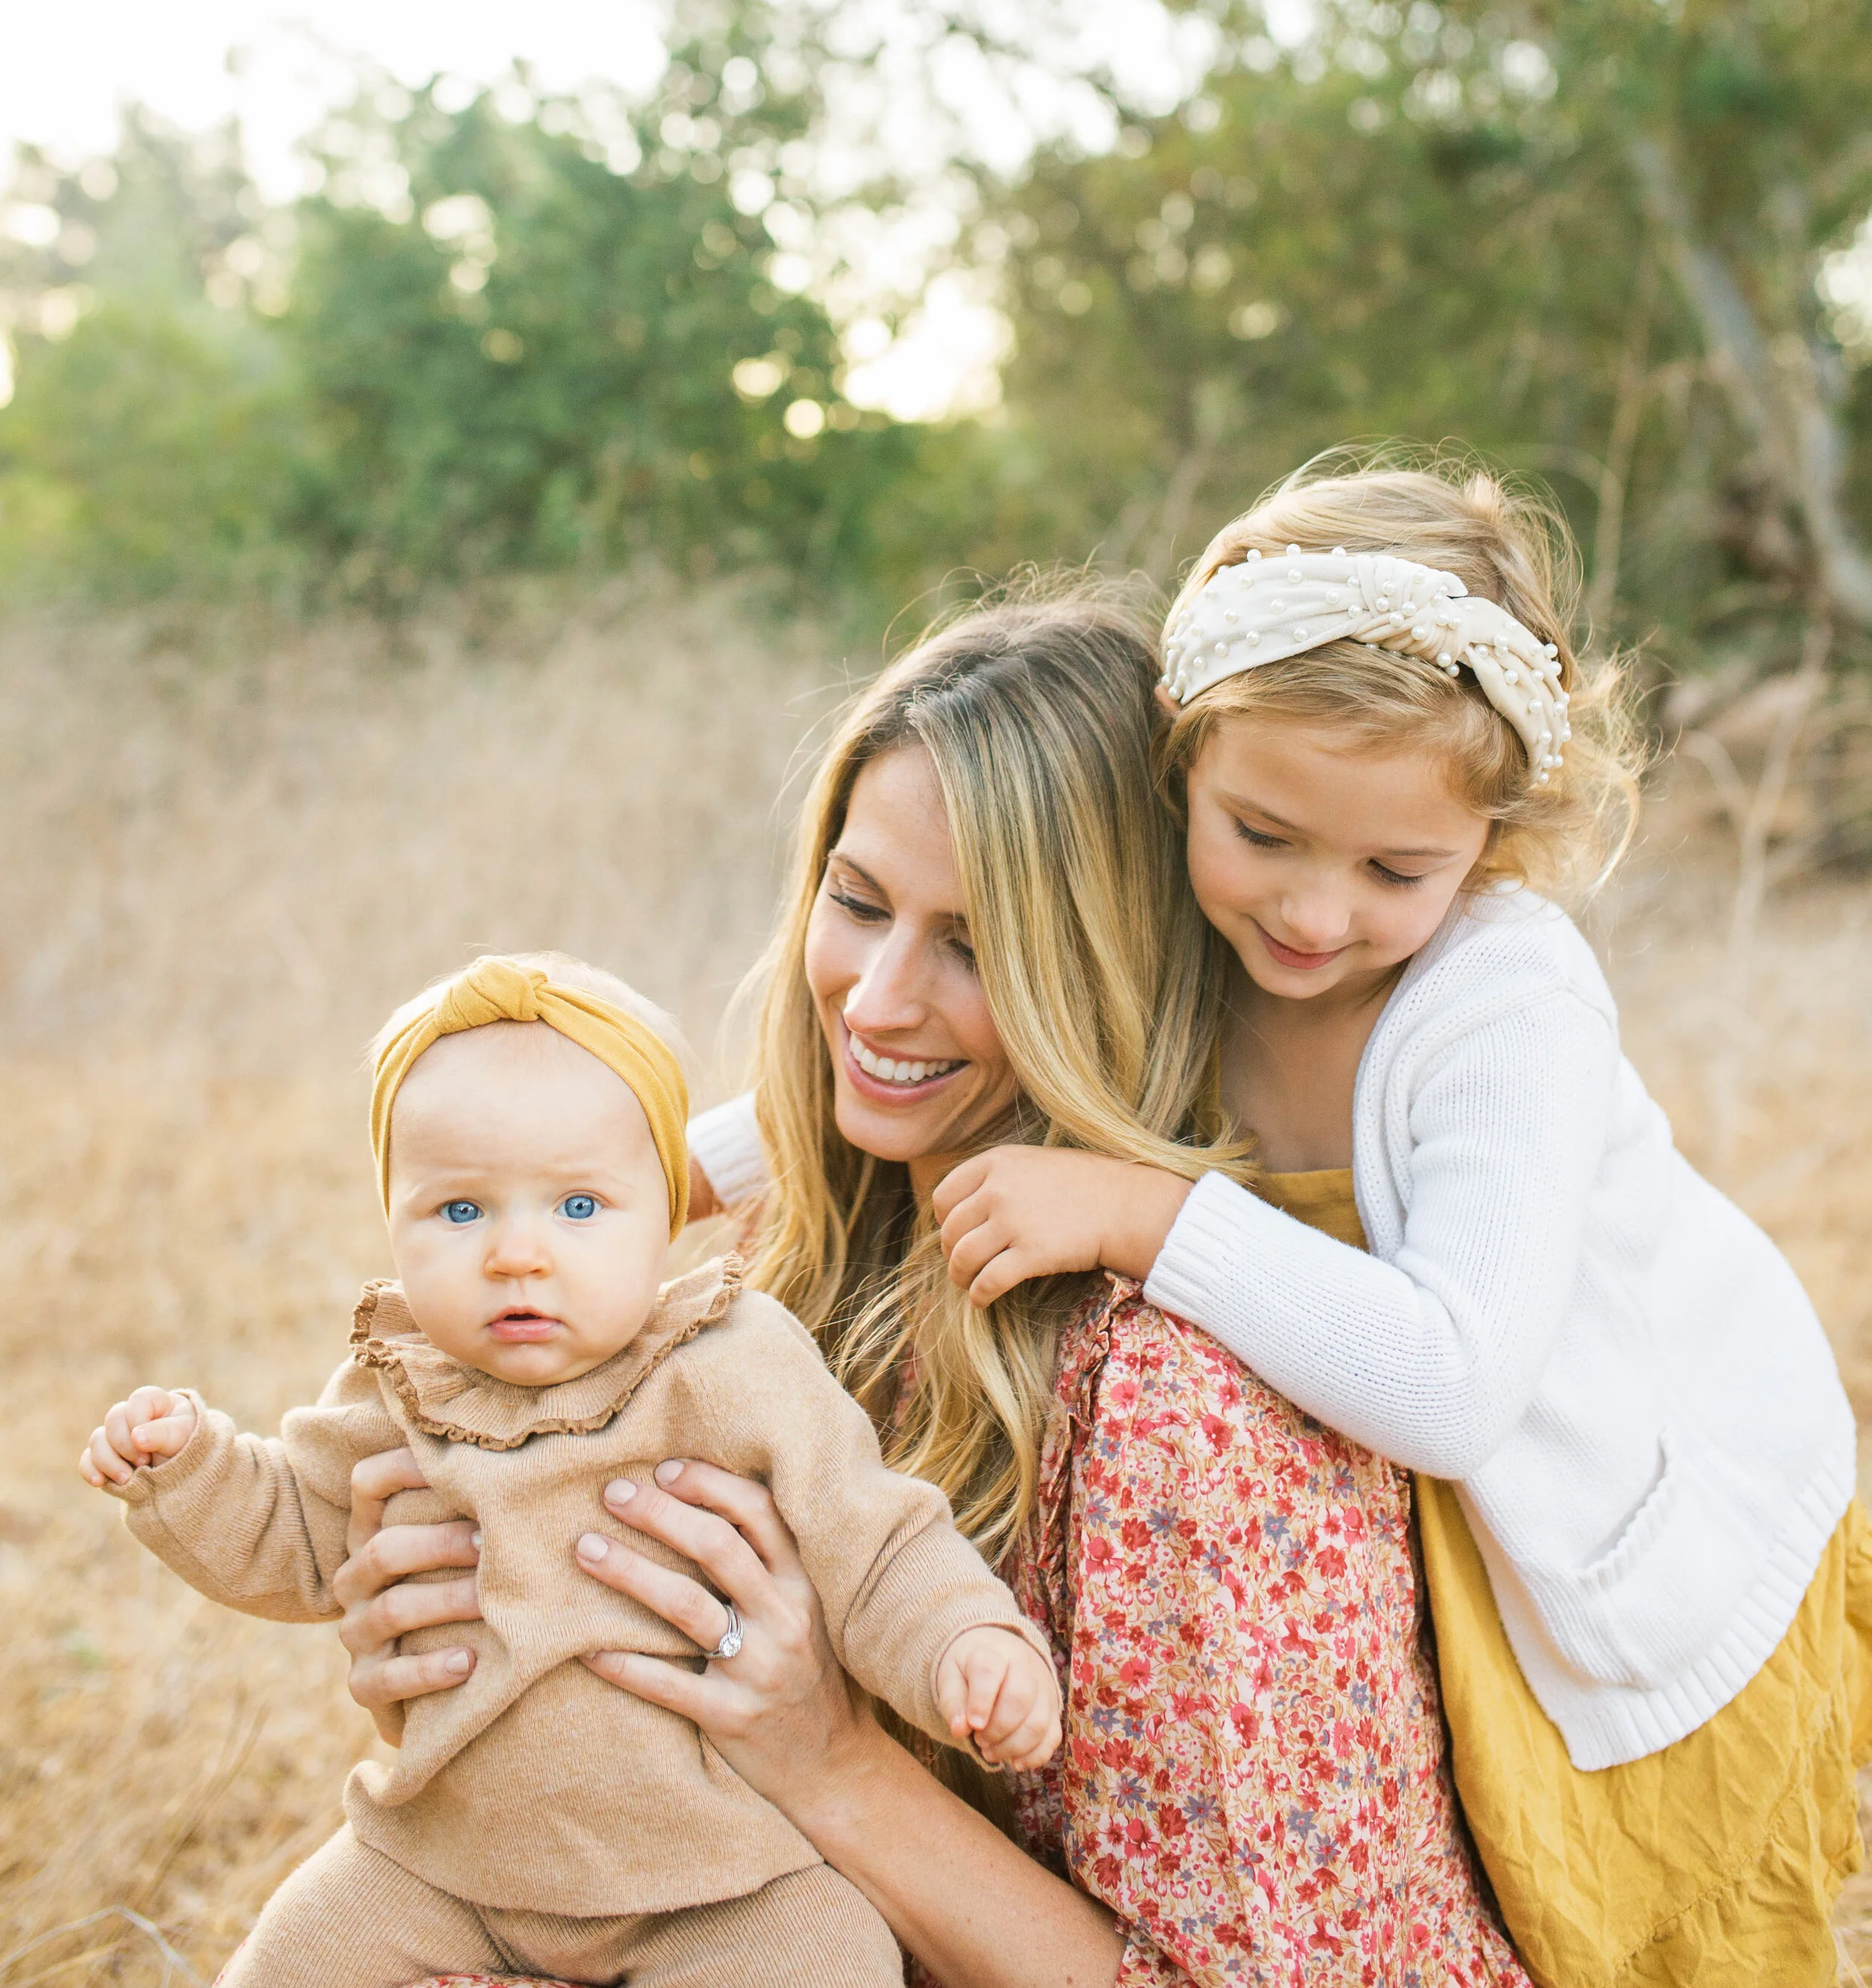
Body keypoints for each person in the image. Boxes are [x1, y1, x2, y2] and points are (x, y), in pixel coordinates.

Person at [334, 598, 1531, 1987]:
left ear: (1107, 967)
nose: (879, 999)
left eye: (974, 944)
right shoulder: (797, 1250)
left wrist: (829, 1758)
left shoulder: (1175, 1412)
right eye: (855, 902)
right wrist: (456, 1658)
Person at [930, 465, 1872, 1986]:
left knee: (1625, 1927)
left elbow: (1447, 1385)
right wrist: (712, 1153)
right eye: (1262, 832)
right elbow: (954, 1039)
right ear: (1180, 757)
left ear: (1493, 836)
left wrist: (1142, 1214)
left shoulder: (1502, 1002)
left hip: (1610, 1530)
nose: (1312, 912)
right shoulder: (1183, 923)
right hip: (1397, 1556)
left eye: (1393, 869)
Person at [80, 949, 1057, 1988]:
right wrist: (184, 1467)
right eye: (461, 1210)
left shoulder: (732, 1363)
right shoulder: (400, 1388)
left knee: (831, 1952)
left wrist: (967, 1640)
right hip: (438, 1868)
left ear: (663, 1212)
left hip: (721, 1881)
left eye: (579, 1207)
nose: (518, 1254)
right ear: (392, 1221)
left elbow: (876, 1540)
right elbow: (297, 1534)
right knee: (282, 1964)